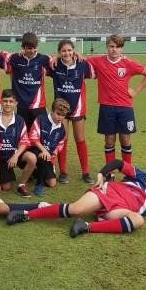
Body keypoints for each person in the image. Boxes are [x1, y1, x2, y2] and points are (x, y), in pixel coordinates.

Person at [6, 159, 146, 238]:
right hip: (109, 193)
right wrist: (102, 175)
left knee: (139, 220)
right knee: (75, 210)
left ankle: (86, 227)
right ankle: (26, 214)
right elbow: (118, 163)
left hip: (119, 210)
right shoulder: (143, 177)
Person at [85, 34, 146, 165]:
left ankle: (127, 171)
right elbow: (80, 59)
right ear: (107, 47)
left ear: (121, 48)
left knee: (125, 139)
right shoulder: (98, 61)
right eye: (111, 46)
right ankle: (109, 171)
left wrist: (135, 90)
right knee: (109, 140)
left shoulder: (128, 63)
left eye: (118, 47)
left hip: (125, 107)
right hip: (106, 107)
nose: (114, 50)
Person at [46, 40, 93, 184]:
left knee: (80, 139)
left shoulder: (82, 65)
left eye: (69, 50)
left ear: (74, 51)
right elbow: (41, 59)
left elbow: (93, 71)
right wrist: (53, 57)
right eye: (63, 51)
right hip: (61, 110)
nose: (67, 53)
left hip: (78, 108)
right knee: (63, 140)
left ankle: (85, 172)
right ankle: (64, 172)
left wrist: (81, 56)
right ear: (59, 52)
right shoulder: (54, 65)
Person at [0, 89, 36, 197]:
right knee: (6, 187)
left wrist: (15, 156)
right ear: (1, 102)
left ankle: (22, 185)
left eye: (11, 101)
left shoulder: (20, 120)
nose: (8, 104)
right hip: (0, 157)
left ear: (16, 103)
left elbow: (24, 142)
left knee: (32, 158)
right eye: (5, 101)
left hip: (15, 154)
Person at [21, 98, 69, 196]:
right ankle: (39, 185)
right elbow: (33, 138)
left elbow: (59, 145)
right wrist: (44, 150)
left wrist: (52, 157)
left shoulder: (62, 129)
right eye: (58, 114)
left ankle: (35, 172)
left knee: (52, 183)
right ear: (52, 111)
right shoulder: (41, 119)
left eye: (63, 115)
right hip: (34, 150)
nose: (60, 117)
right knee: (42, 156)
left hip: (47, 156)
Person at [6, 32, 51, 127]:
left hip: (38, 105)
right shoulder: (14, 58)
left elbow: (60, 59)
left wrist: (75, 54)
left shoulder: (44, 59)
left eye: (33, 48)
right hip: (21, 106)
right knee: (22, 136)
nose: (31, 51)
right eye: (28, 48)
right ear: (23, 47)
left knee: (39, 136)